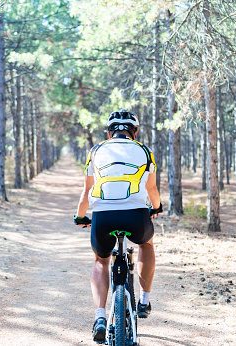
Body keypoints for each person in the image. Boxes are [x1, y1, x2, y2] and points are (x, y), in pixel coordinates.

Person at [74, 109, 162, 343]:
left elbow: (86, 192)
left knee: (100, 261)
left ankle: (100, 317)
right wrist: (156, 208)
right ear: (134, 132)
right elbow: (152, 190)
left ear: (109, 132)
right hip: (136, 215)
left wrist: (80, 216)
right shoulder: (145, 150)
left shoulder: (96, 151)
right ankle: (144, 300)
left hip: (103, 216)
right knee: (146, 243)